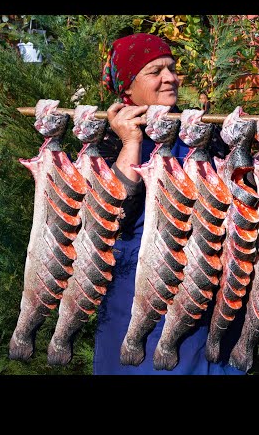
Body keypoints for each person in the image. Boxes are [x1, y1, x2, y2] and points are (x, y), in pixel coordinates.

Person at [95, 32, 244, 375]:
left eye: (172, 69)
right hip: (138, 298)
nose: (170, 78)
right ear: (128, 88)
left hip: (204, 293)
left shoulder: (201, 133)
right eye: (155, 71)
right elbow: (110, 213)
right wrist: (131, 142)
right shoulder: (108, 141)